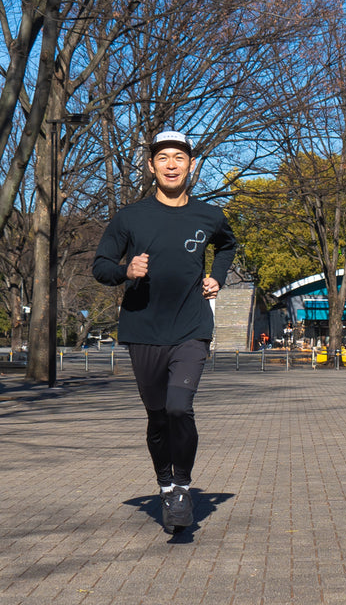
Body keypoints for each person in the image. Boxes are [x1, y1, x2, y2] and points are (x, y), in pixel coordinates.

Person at [92, 130, 236, 532]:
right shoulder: (130, 217)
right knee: (157, 417)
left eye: (179, 158)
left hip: (191, 326)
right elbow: (100, 265)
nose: (171, 164)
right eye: (163, 158)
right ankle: (164, 482)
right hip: (143, 329)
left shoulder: (210, 215)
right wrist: (125, 271)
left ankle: (182, 488)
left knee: (179, 408)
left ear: (191, 165)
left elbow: (227, 245)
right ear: (151, 165)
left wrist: (217, 277)